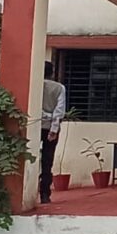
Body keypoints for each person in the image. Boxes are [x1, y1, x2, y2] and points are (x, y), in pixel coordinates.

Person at [40, 61, 66, 204]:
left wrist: (43, 115)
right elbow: (59, 110)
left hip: (35, 126)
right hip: (51, 128)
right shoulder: (59, 88)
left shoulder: (36, 86)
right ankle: (45, 194)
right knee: (47, 160)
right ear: (52, 72)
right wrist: (54, 129)